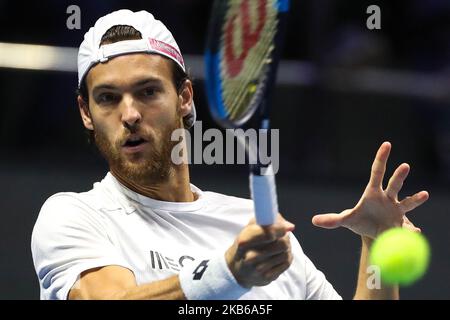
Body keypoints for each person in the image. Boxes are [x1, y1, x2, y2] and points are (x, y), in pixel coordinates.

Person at [31, 9, 429, 300]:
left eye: (148, 91)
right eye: (107, 98)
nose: (130, 114)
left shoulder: (251, 224)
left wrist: (376, 248)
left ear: (185, 97)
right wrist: (228, 273)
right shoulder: (73, 217)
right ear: (87, 113)